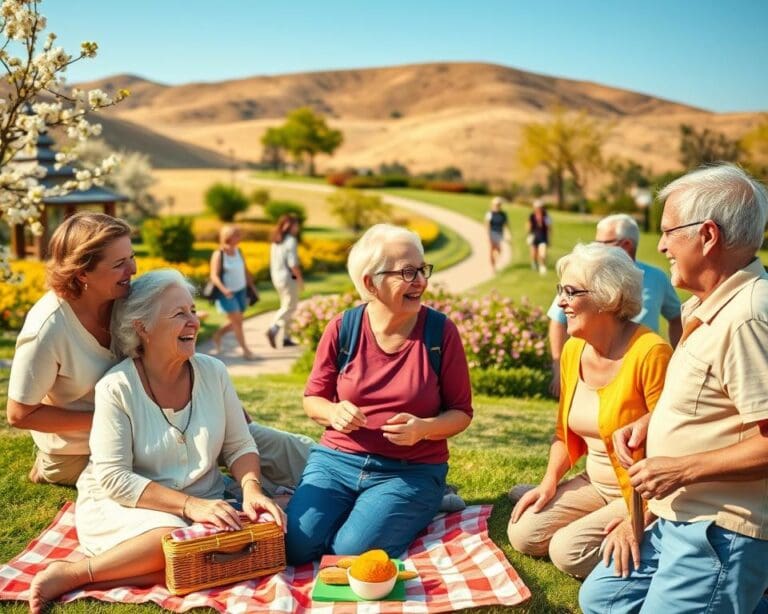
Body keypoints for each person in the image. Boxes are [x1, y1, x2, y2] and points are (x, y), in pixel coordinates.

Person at [27, 269, 286, 613]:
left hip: (201, 505)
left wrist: (252, 488)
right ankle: (75, 573)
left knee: (205, 548)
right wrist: (191, 506)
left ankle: (108, 577)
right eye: (179, 314)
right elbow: (115, 479)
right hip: (127, 504)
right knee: (172, 538)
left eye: (193, 311)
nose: (193, 322)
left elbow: (239, 445)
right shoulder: (117, 387)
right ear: (142, 327)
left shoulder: (214, 372)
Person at [580, 164, 768, 614]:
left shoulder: (748, 318)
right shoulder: (707, 304)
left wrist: (680, 470)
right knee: (601, 598)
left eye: (668, 233)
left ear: (707, 236)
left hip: (719, 529)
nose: (660, 245)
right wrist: (650, 422)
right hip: (674, 518)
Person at [284, 224, 473, 565]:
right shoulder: (343, 328)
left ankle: (426, 500)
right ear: (370, 283)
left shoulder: (440, 332)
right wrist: (333, 413)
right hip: (336, 461)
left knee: (349, 553)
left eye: (422, 269)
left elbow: (461, 413)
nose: (420, 281)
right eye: (407, 272)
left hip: (409, 470)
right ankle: (371, 512)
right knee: (296, 547)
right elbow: (312, 399)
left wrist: (423, 429)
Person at [507, 243, 672, 579]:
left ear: (607, 297)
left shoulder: (650, 352)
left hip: (640, 494)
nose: (560, 302)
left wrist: (638, 517)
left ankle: (657, 536)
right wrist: (549, 483)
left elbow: (673, 443)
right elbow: (562, 434)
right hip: (594, 482)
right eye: (560, 291)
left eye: (570, 292)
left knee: (566, 552)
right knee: (523, 534)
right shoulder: (574, 349)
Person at [7, 212, 136, 485]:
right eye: (119, 264)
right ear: (82, 272)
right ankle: (46, 467)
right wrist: (106, 418)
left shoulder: (125, 300)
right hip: (78, 452)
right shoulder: (47, 329)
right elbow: (19, 414)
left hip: (135, 434)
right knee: (163, 478)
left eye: (131, 257)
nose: (133, 270)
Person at [546, 214, 683, 398]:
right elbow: (557, 320)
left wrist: (679, 360)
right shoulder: (574, 350)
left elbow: (676, 317)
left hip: (641, 369)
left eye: (600, 243)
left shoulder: (657, 278)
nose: (593, 247)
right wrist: (557, 368)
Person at [209, 224, 259, 360]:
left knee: (238, 320)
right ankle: (246, 351)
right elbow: (214, 276)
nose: (240, 237)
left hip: (241, 291)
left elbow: (245, 270)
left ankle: (218, 334)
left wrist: (252, 286)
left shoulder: (239, 251)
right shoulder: (219, 254)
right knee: (238, 323)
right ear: (228, 237)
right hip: (227, 294)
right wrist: (224, 290)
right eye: (237, 234)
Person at [266, 215, 303, 349]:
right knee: (290, 307)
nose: (297, 228)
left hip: (277, 278)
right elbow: (293, 264)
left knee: (286, 305)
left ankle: (286, 337)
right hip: (288, 278)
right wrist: (300, 280)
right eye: (296, 225)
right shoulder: (291, 241)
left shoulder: (276, 241)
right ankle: (273, 328)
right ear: (291, 226)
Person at [485, 196, 510, 271]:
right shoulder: (490, 213)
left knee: (499, 250)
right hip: (491, 233)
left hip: (499, 233)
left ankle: (494, 262)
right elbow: (487, 225)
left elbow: (506, 225)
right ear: (493, 205)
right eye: (496, 205)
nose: (497, 206)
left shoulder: (503, 214)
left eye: (499, 204)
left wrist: (508, 234)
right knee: (492, 249)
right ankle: (493, 267)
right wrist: (488, 235)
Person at [527, 199, 551, 275]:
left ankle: (542, 266)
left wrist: (549, 238)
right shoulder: (532, 216)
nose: (538, 209)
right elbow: (528, 226)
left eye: (540, 207)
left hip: (543, 237)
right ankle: (534, 263)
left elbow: (549, 228)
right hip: (534, 237)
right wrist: (529, 234)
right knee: (534, 253)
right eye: (537, 207)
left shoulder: (546, 216)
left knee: (542, 253)